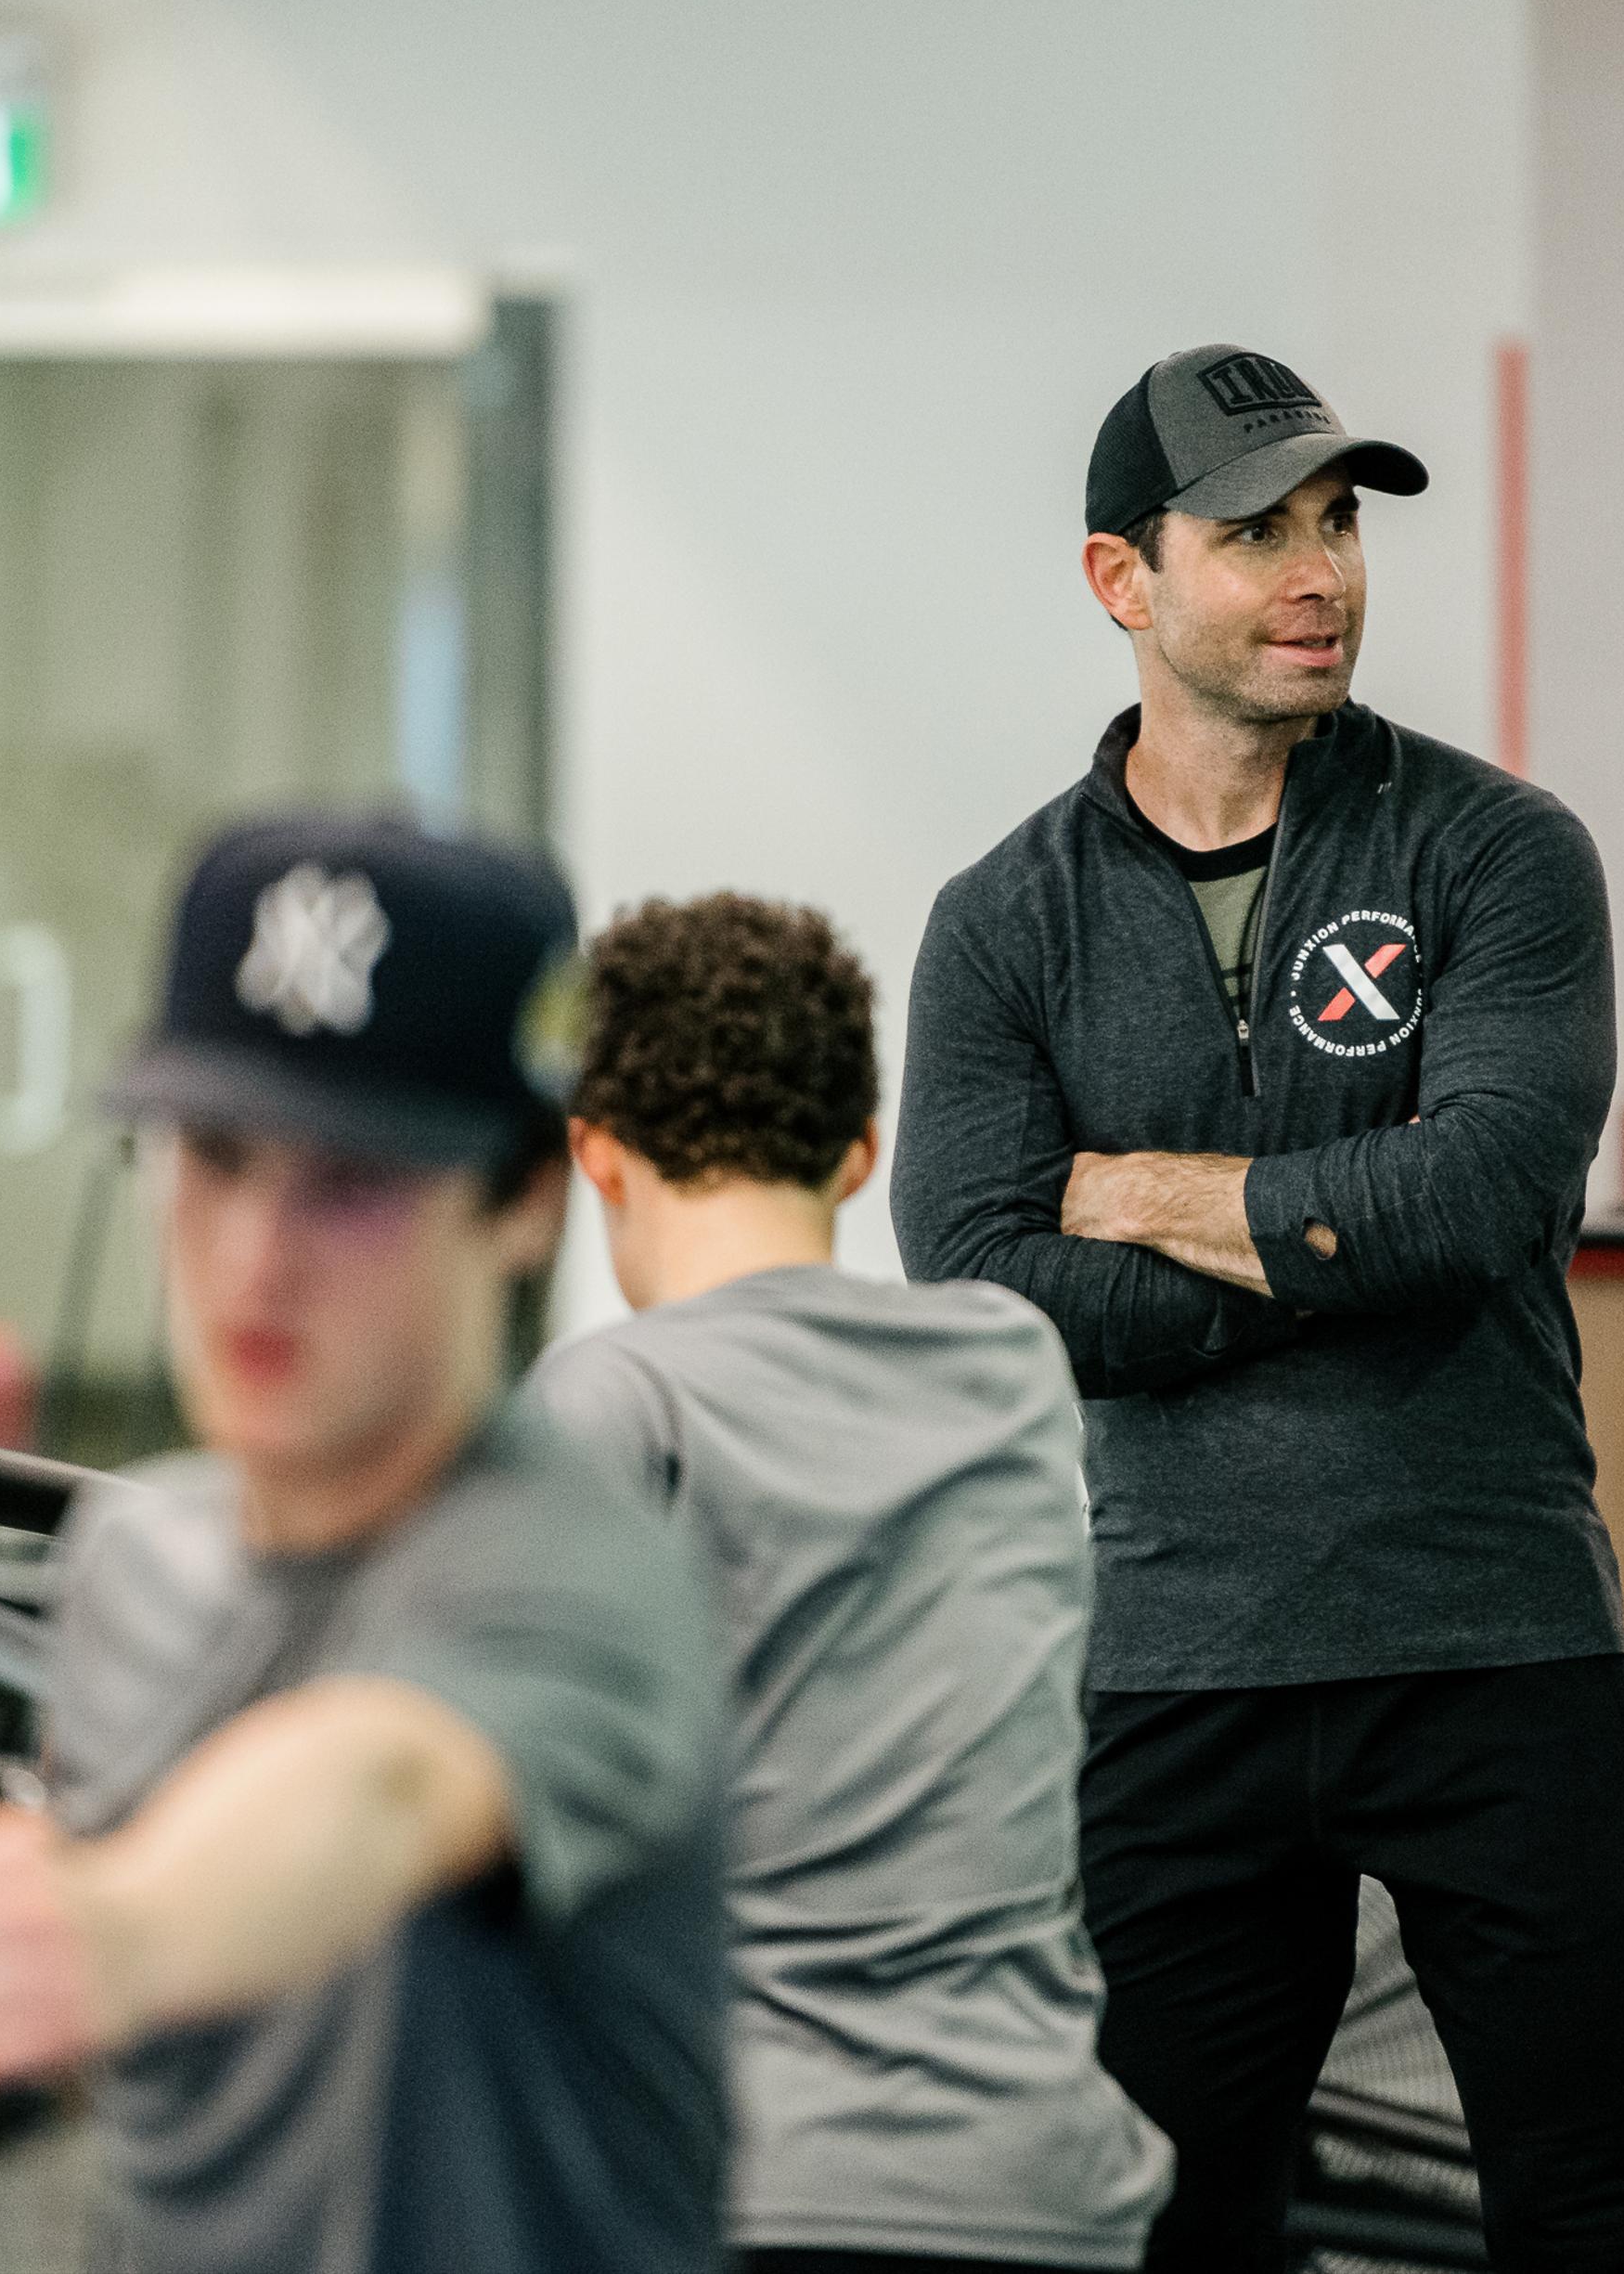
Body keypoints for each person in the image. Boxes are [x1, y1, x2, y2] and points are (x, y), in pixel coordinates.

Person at [889, 345, 1624, 2274]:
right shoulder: (1007, 921)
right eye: (1256, 532)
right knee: (1166, 2226)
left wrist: (1149, 1198)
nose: (1320, 569)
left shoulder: (1497, 852)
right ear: (1124, 583)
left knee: (1599, 2215)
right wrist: (1335, 1253)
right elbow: (984, 1277)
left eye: (1338, 521)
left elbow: (1484, 1193)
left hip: (1493, 1637)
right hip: (1178, 1661)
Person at [0, 818, 729, 2274]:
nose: (255, 1256)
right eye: (217, 1158)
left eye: (351, 1183)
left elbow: (383, 1781)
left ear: (526, 1205)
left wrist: (116, 1924)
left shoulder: (589, 1573)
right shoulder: (133, 1558)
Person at [530, 892, 1172, 2274]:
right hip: (1041, 2187)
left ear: (597, 1155)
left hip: (750, 2186)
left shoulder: (611, 1402)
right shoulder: (1008, 1369)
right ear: (860, 1156)